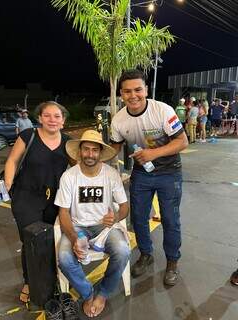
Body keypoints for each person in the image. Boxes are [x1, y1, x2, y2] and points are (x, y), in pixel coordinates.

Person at [110, 69, 188, 286]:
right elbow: (114, 148)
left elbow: (182, 142)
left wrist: (152, 153)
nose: (133, 95)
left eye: (138, 89)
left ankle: (172, 261)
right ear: (121, 94)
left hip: (169, 173)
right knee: (138, 219)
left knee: (170, 220)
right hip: (141, 175)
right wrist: (92, 157)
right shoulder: (118, 120)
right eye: (127, 91)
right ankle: (146, 254)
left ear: (145, 89)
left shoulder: (162, 110)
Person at [55, 130, 130, 318]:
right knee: (64, 258)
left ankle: (103, 293)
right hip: (78, 227)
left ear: (100, 153)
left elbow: (124, 206)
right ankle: (88, 294)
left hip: (104, 227)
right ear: (80, 152)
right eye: (86, 149)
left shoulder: (111, 174)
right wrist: (74, 237)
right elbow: (63, 212)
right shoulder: (69, 176)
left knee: (123, 251)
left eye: (94, 150)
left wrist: (116, 218)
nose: (90, 154)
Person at [4, 101, 71, 303]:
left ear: (63, 121)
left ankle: (51, 280)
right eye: (47, 115)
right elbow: (12, 161)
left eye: (57, 116)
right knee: (31, 241)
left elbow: (80, 168)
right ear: (39, 118)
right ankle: (29, 282)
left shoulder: (68, 142)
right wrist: (9, 187)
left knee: (51, 240)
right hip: (26, 197)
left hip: (55, 199)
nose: (52, 120)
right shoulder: (28, 136)